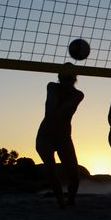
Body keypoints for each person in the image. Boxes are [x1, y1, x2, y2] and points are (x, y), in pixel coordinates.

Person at [36, 63, 84, 208]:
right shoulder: (52, 87)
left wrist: (64, 93)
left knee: (75, 178)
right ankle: (61, 202)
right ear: (59, 77)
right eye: (64, 76)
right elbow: (52, 109)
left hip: (63, 137)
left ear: (74, 78)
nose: (66, 80)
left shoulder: (78, 95)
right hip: (45, 135)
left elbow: (62, 110)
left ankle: (70, 200)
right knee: (52, 171)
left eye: (69, 77)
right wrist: (59, 94)